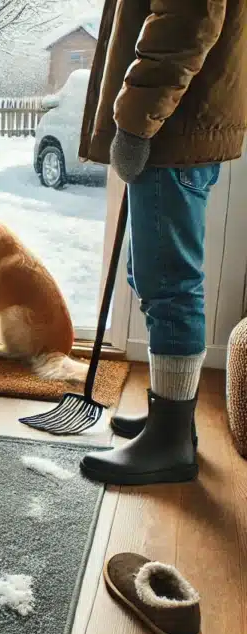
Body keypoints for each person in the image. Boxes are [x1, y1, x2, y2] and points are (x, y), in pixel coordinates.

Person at [78, 0, 247, 485]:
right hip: (180, 122)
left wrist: (136, 124)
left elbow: (183, 23)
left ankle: (170, 443)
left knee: (169, 284)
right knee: (156, 276)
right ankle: (172, 419)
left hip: (171, 128)